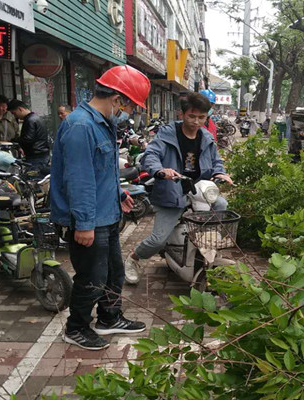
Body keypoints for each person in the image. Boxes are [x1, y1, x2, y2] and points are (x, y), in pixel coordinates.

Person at [50, 65, 151, 350]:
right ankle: (76, 328)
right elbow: (79, 180)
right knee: (92, 277)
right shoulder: (81, 126)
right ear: (117, 99)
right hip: (90, 218)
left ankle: (109, 317)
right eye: (130, 105)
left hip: (106, 213)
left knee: (113, 272)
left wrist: (118, 193)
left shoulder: (102, 123)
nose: (129, 112)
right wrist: (84, 224)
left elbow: (100, 170)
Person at [125, 92, 233, 284]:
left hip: (199, 190)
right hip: (172, 190)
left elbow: (216, 161)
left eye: (201, 117)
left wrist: (220, 173)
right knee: (158, 239)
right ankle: (134, 258)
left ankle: (209, 252)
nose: (196, 121)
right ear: (181, 114)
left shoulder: (206, 137)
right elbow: (151, 155)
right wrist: (160, 170)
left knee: (221, 205)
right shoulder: (167, 134)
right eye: (192, 116)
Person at [7, 99, 50, 173]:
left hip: (35, 156)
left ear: (20, 109)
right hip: (41, 154)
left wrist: (14, 140)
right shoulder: (36, 118)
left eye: (14, 113)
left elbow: (28, 139)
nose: (15, 116)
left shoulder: (30, 120)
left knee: (33, 177)